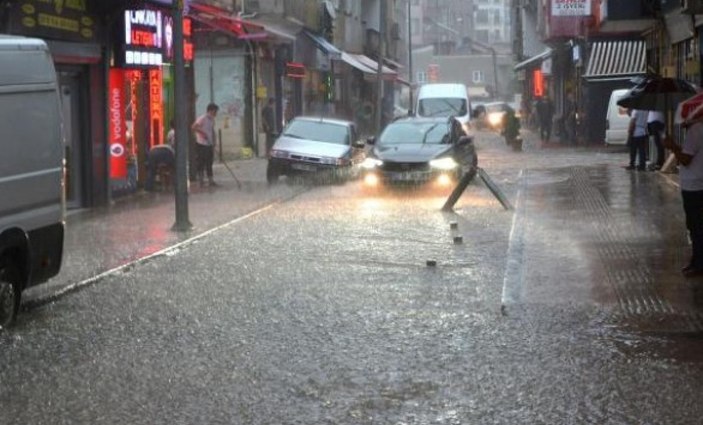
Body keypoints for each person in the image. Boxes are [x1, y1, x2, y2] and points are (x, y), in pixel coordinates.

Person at [663, 121, 703, 277]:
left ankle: (699, 264)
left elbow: (686, 159)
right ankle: (696, 261)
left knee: (695, 226)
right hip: (697, 183)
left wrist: (672, 146)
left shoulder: (696, 130)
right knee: (696, 226)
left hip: (694, 186)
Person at [191, 102, 219, 187]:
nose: (215, 113)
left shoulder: (212, 120)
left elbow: (212, 131)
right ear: (210, 111)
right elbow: (193, 127)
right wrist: (202, 133)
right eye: (215, 111)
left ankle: (211, 180)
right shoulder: (203, 118)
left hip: (209, 144)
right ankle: (201, 181)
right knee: (201, 162)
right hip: (201, 144)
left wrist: (214, 141)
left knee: (209, 162)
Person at [145, 121, 175, 192]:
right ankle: (172, 183)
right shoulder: (171, 151)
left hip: (152, 150)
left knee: (151, 169)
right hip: (165, 152)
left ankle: (148, 187)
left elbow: (168, 140)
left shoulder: (170, 133)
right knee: (173, 168)